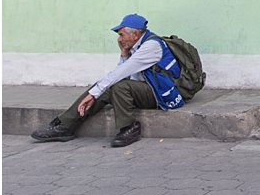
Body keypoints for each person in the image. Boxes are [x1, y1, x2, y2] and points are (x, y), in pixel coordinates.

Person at [30, 13, 186, 148]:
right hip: (148, 89)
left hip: (163, 94)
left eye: (121, 34)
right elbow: (124, 74)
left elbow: (122, 72)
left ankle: (129, 128)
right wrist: (124, 55)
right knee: (105, 87)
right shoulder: (137, 45)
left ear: (136, 34)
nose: (119, 39)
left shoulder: (151, 46)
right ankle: (65, 126)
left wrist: (94, 93)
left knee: (118, 87)